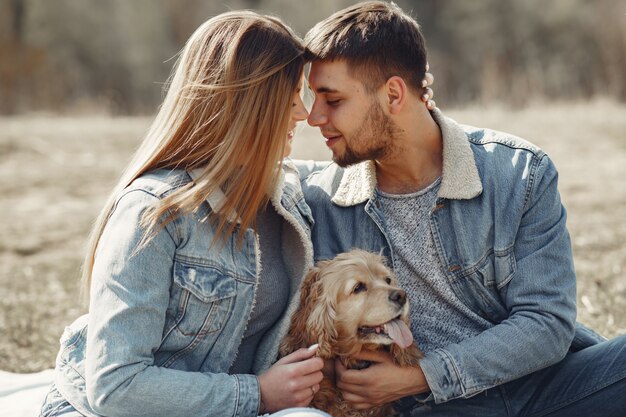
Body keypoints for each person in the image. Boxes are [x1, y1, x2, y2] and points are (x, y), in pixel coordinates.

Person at [298, 1, 626, 416]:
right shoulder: (320, 202)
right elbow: (239, 161)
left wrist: (424, 375)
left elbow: (546, 323)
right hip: (429, 409)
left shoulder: (520, 173)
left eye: (332, 99)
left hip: (547, 387)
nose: (313, 117)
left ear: (394, 94)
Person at [38, 11, 334, 417]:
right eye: (290, 97)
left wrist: (420, 110)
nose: (303, 113)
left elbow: (371, 167)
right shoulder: (153, 212)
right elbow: (116, 385)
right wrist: (258, 394)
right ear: (248, 106)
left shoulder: (287, 194)